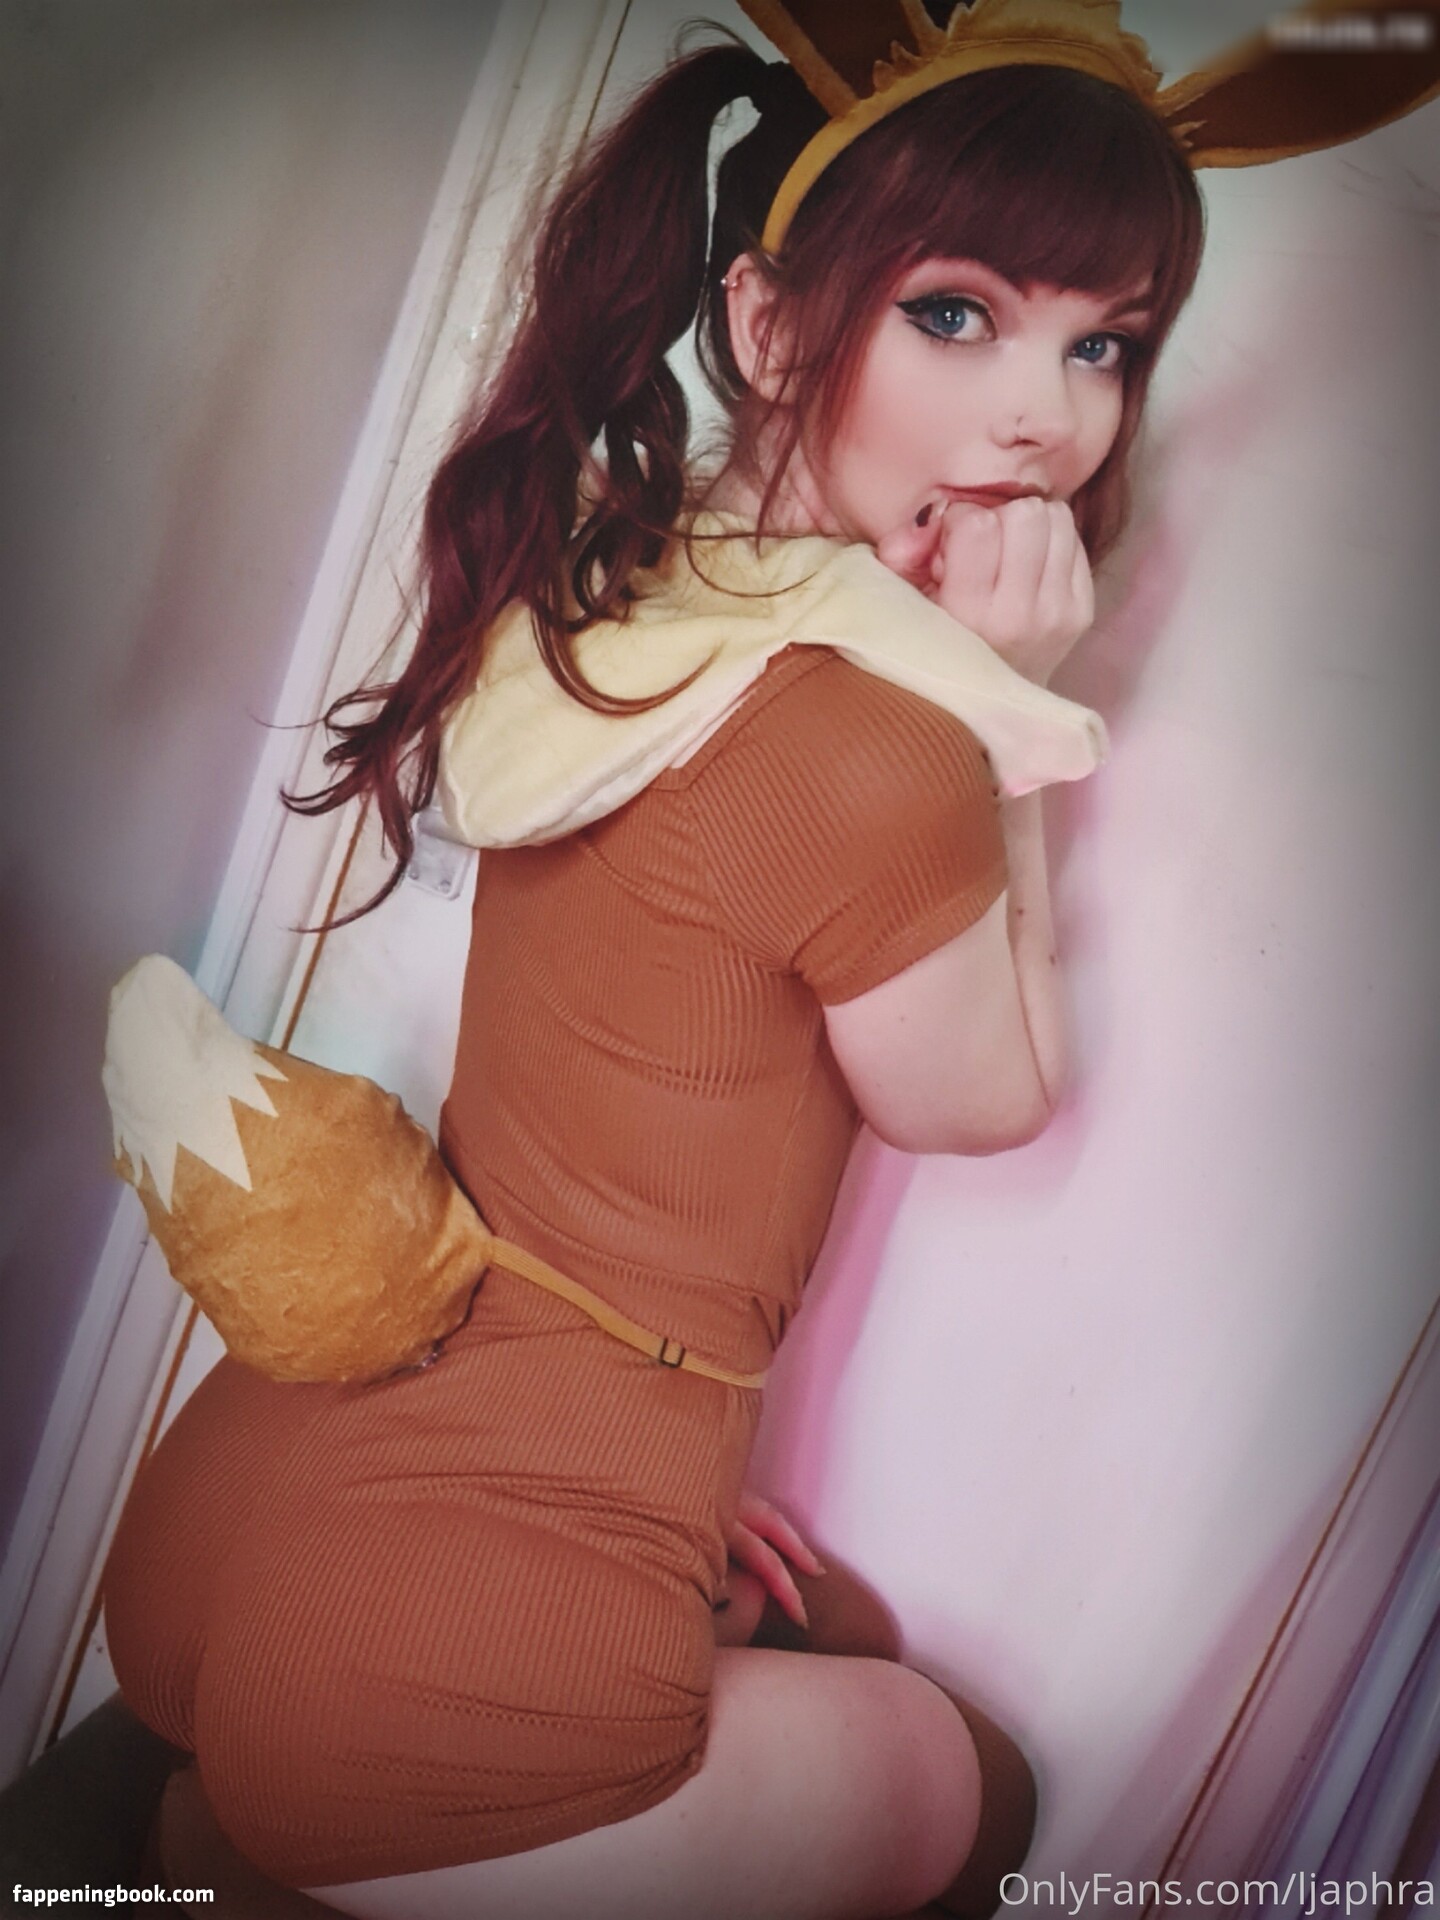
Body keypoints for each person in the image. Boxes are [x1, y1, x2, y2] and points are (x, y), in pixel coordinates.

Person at [98, 4, 1440, 1916]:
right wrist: (1000, 716)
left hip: (240, 1499)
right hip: (409, 1644)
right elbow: (979, 1098)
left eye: (1106, 344)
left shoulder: (622, 588)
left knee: (821, 1650)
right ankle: (242, 1857)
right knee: (966, 1782)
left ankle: (242, 1829)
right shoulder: (874, 732)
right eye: (959, 314)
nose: (1047, 417)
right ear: (768, 322)